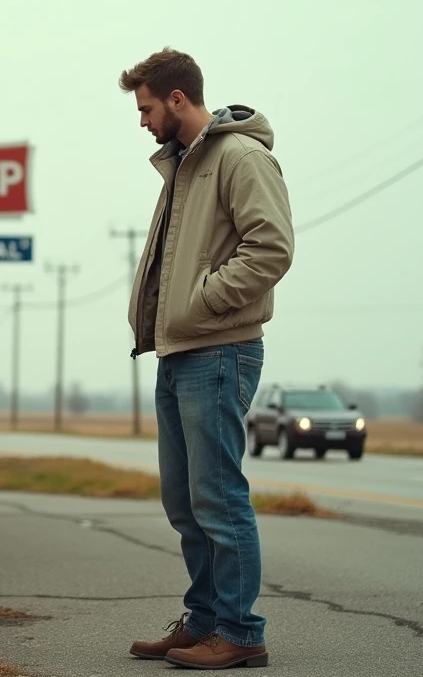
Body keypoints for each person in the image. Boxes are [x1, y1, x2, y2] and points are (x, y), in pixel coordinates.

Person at [120, 48, 294, 670]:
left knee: (218, 498)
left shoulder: (240, 157)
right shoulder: (184, 166)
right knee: (185, 502)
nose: (142, 122)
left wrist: (204, 301)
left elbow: (271, 248)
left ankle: (241, 633)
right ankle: (203, 622)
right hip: (178, 351)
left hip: (219, 350)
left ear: (177, 99)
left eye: (146, 109)